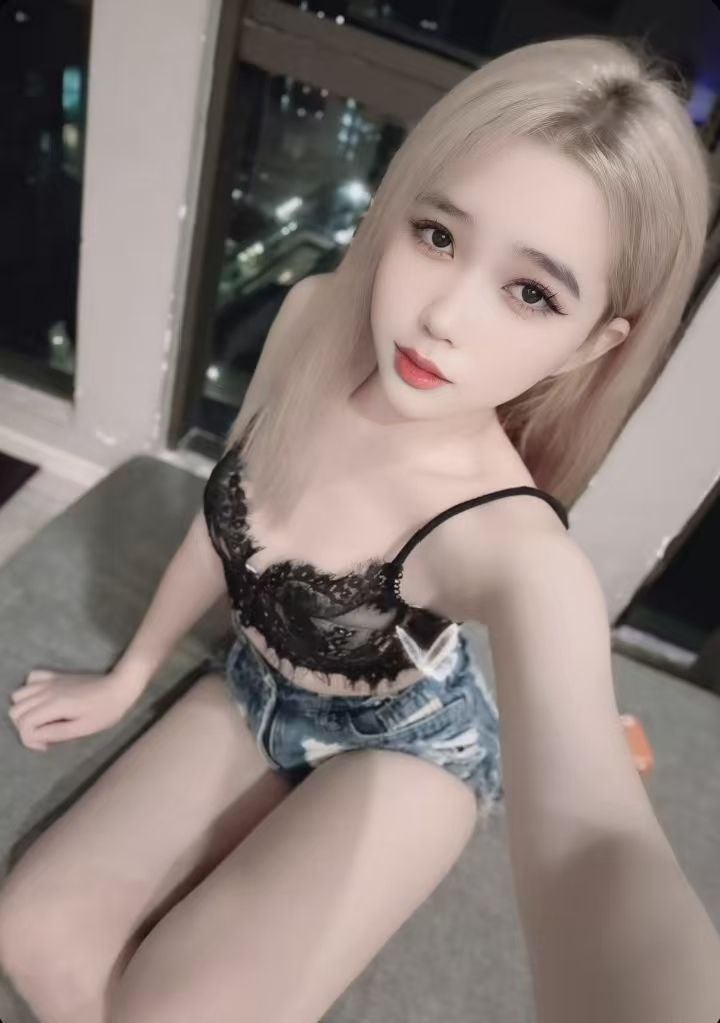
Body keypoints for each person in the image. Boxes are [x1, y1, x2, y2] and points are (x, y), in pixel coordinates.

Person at [1, 31, 719, 1023]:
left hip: (407, 752)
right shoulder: (312, 318)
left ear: (590, 343)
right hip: (253, 686)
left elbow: (597, 840)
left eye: (530, 292)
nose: (443, 316)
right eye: (438, 235)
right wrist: (133, 671)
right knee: (34, 933)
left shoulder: (514, 547)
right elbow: (232, 515)